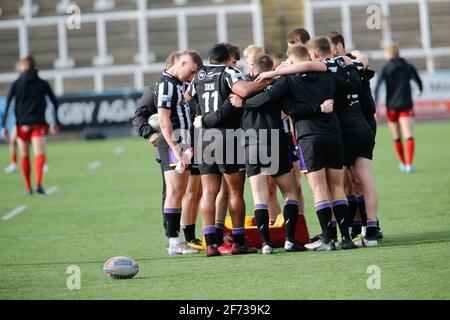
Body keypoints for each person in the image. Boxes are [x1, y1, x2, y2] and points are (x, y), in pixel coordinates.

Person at [252, 46, 361, 250]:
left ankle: (328, 239)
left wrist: (243, 99)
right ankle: (345, 238)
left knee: (319, 189)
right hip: (333, 134)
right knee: (337, 187)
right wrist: (351, 66)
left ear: (291, 62)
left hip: (307, 137)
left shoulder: (288, 80)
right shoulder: (327, 76)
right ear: (310, 57)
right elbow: (354, 86)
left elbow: (286, 107)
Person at [186, 43, 268, 256]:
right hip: (226, 136)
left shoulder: (200, 74)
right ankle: (238, 242)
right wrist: (266, 81)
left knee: (209, 192)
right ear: (228, 57)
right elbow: (244, 90)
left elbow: (188, 96)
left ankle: (211, 244)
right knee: (234, 190)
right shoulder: (229, 71)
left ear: (210, 58)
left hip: (203, 137)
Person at [230, 54, 310, 253]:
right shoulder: (278, 85)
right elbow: (287, 108)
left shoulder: (243, 88)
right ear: (270, 68)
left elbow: (232, 109)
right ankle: (289, 239)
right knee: (291, 192)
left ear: (253, 69)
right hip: (273, 141)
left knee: (259, 197)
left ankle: (265, 243)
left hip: (250, 143)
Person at [155, 50, 203, 255]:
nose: (191, 77)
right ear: (182, 62)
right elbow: (163, 120)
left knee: (180, 192)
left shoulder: (177, 83)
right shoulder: (166, 84)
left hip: (183, 141)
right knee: (175, 192)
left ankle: (177, 240)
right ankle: (173, 242)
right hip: (175, 141)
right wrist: (176, 148)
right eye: (190, 72)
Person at [1, 56, 59, 195]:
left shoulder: (16, 84)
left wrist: (4, 126)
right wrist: (55, 122)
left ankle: (28, 187)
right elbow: (54, 102)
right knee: (39, 154)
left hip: (22, 124)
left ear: (24, 66)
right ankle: (39, 183)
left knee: (24, 155)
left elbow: (8, 105)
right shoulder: (43, 83)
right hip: (38, 123)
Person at [375, 42, 423, 173]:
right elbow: (418, 81)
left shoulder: (385, 68)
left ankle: (402, 162)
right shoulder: (408, 66)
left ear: (389, 53)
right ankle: (409, 164)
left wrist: (375, 105)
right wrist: (420, 90)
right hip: (406, 105)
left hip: (391, 106)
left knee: (396, 137)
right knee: (409, 136)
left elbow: (377, 87)